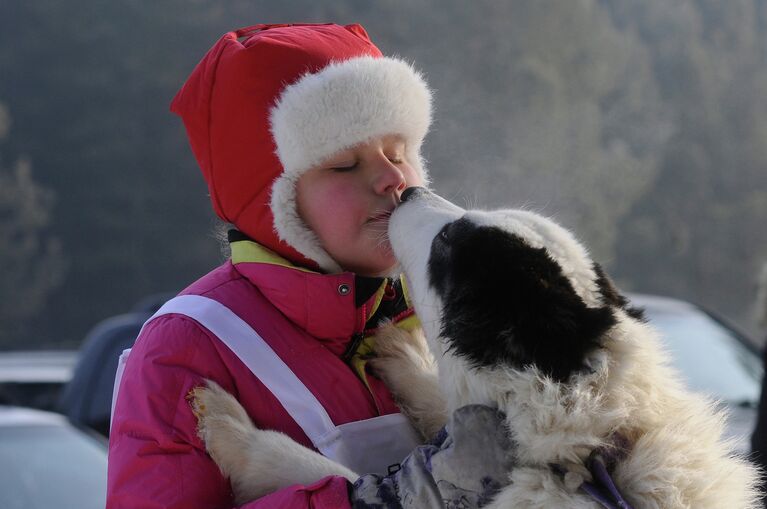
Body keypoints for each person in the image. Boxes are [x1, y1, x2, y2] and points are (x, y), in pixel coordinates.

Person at [106, 23, 433, 508]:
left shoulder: (436, 310)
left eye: (399, 152)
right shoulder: (189, 346)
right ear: (273, 202)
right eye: (345, 164)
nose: (390, 178)